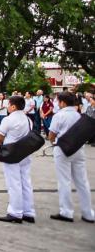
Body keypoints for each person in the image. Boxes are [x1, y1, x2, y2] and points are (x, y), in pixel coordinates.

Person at [47, 92, 94, 223]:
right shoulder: (79, 115)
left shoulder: (59, 115)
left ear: (62, 102)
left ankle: (66, 211)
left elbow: (51, 134)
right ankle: (88, 213)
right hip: (79, 149)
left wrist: (53, 143)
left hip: (62, 149)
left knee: (64, 180)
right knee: (82, 182)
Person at [0, 95, 36, 224]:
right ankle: (28, 211)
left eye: (9, 104)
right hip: (24, 152)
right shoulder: (28, 120)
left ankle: (15, 211)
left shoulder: (8, 120)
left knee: (14, 183)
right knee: (26, 182)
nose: (7, 107)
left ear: (13, 106)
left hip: (11, 152)